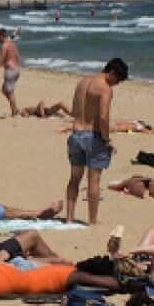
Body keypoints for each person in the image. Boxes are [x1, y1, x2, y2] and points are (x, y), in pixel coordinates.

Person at [65, 58, 128, 225]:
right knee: (94, 181)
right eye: (118, 80)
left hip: (76, 134)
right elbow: (102, 116)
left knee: (74, 179)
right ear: (112, 73)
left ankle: (69, 218)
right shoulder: (105, 89)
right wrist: (107, 140)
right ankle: (92, 220)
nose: (117, 84)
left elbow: (74, 111)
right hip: (92, 136)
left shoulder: (82, 82)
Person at [0, 27, 21, 117]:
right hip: (16, 70)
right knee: (4, 90)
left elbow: (1, 60)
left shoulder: (4, 46)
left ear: (1, 36)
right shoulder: (10, 42)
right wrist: (16, 32)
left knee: (10, 92)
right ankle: (15, 109)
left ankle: (15, 112)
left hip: (10, 72)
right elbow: (12, 37)